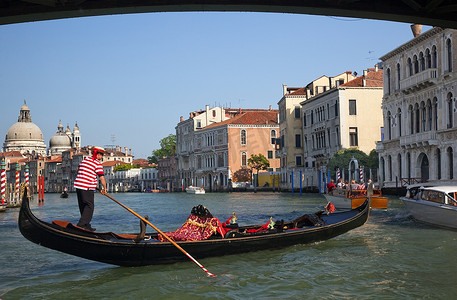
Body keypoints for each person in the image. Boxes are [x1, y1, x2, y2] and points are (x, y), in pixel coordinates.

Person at [73, 146, 107, 231]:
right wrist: (105, 189)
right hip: (87, 187)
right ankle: (81, 225)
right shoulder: (97, 164)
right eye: (102, 155)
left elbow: (78, 170)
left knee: (83, 206)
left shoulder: (85, 160)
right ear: (98, 154)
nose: (102, 157)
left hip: (78, 185)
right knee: (89, 206)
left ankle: (86, 225)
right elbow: (102, 178)